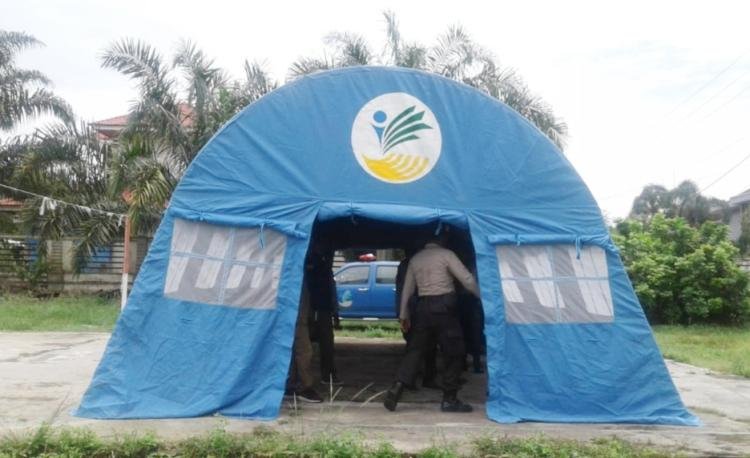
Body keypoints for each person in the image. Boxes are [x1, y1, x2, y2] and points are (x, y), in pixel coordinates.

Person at [384, 233, 480, 413]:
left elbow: (408, 289)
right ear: (442, 240)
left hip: (422, 308)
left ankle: (397, 387)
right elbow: (466, 279)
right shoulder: (447, 254)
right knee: (454, 351)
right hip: (444, 307)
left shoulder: (416, 259)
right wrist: (482, 298)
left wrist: (404, 314)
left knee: (415, 350)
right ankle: (450, 399)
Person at [395, 248, 438, 389]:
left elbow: (402, 291)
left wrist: (402, 313)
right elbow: (404, 290)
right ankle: (418, 379)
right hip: (418, 308)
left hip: (415, 309)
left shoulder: (408, 264)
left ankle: (413, 380)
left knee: (417, 347)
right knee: (421, 347)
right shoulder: (412, 264)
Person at [306, 242, 341, 386]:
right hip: (318, 310)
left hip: (318, 309)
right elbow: (330, 292)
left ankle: (326, 374)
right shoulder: (318, 266)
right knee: (324, 344)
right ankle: (327, 375)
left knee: (317, 345)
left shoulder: (315, 265)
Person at [286, 278, 323, 403]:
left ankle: (291, 384)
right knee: (304, 351)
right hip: (297, 315)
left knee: (295, 350)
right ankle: (304, 387)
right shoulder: (297, 277)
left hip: (296, 313)